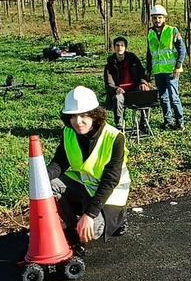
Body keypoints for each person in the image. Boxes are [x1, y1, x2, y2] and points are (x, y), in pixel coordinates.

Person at [47, 86, 131, 247]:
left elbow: (110, 180)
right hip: (85, 186)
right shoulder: (69, 132)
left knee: (93, 229)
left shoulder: (115, 137)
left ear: (95, 115)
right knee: (48, 184)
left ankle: (117, 219)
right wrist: (41, 178)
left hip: (110, 194)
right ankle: (72, 227)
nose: (77, 122)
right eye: (73, 116)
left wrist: (89, 215)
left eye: (83, 115)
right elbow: (60, 162)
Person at [145, 5, 187, 130]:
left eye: (159, 17)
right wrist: (148, 69)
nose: (157, 20)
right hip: (158, 71)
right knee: (163, 98)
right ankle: (168, 121)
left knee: (174, 97)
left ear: (164, 18)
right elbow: (149, 52)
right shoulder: (150, 32)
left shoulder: (172, 30)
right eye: (154, 18)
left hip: (171, 70)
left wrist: (178, 65)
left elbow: (182, 49)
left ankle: (180, 122)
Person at [103, 36, 151, 130]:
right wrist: (116, 89)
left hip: (134, 89)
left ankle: (144, 124)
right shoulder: (110, 65)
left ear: (125, 47)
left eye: (122, 45)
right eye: (117, 45)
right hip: (120, 92)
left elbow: (142, 73)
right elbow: (109, 84)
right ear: (114, 47)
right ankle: (119, 125)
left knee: (146, 93)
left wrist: (143, 83)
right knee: (117, 98)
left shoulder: (133, 59)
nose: (119, 47)